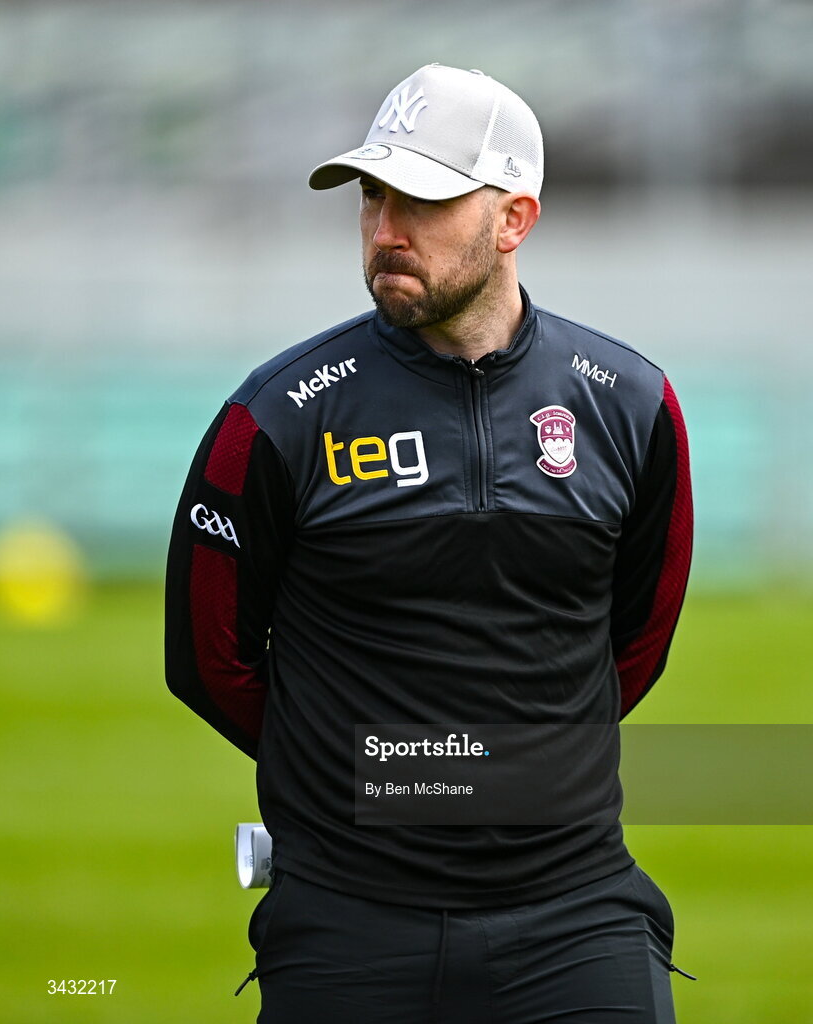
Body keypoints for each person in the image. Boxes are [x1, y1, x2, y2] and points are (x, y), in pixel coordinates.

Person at [165, 64, 693, 1023]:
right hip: (344, 922)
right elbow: (209, 662)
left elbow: (637, 643)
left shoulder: (631, 404)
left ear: (514, 219)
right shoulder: (276, 417)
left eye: (425, 198)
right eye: (373, 194)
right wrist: (361, 778)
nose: (385, 229)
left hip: (579, 916)